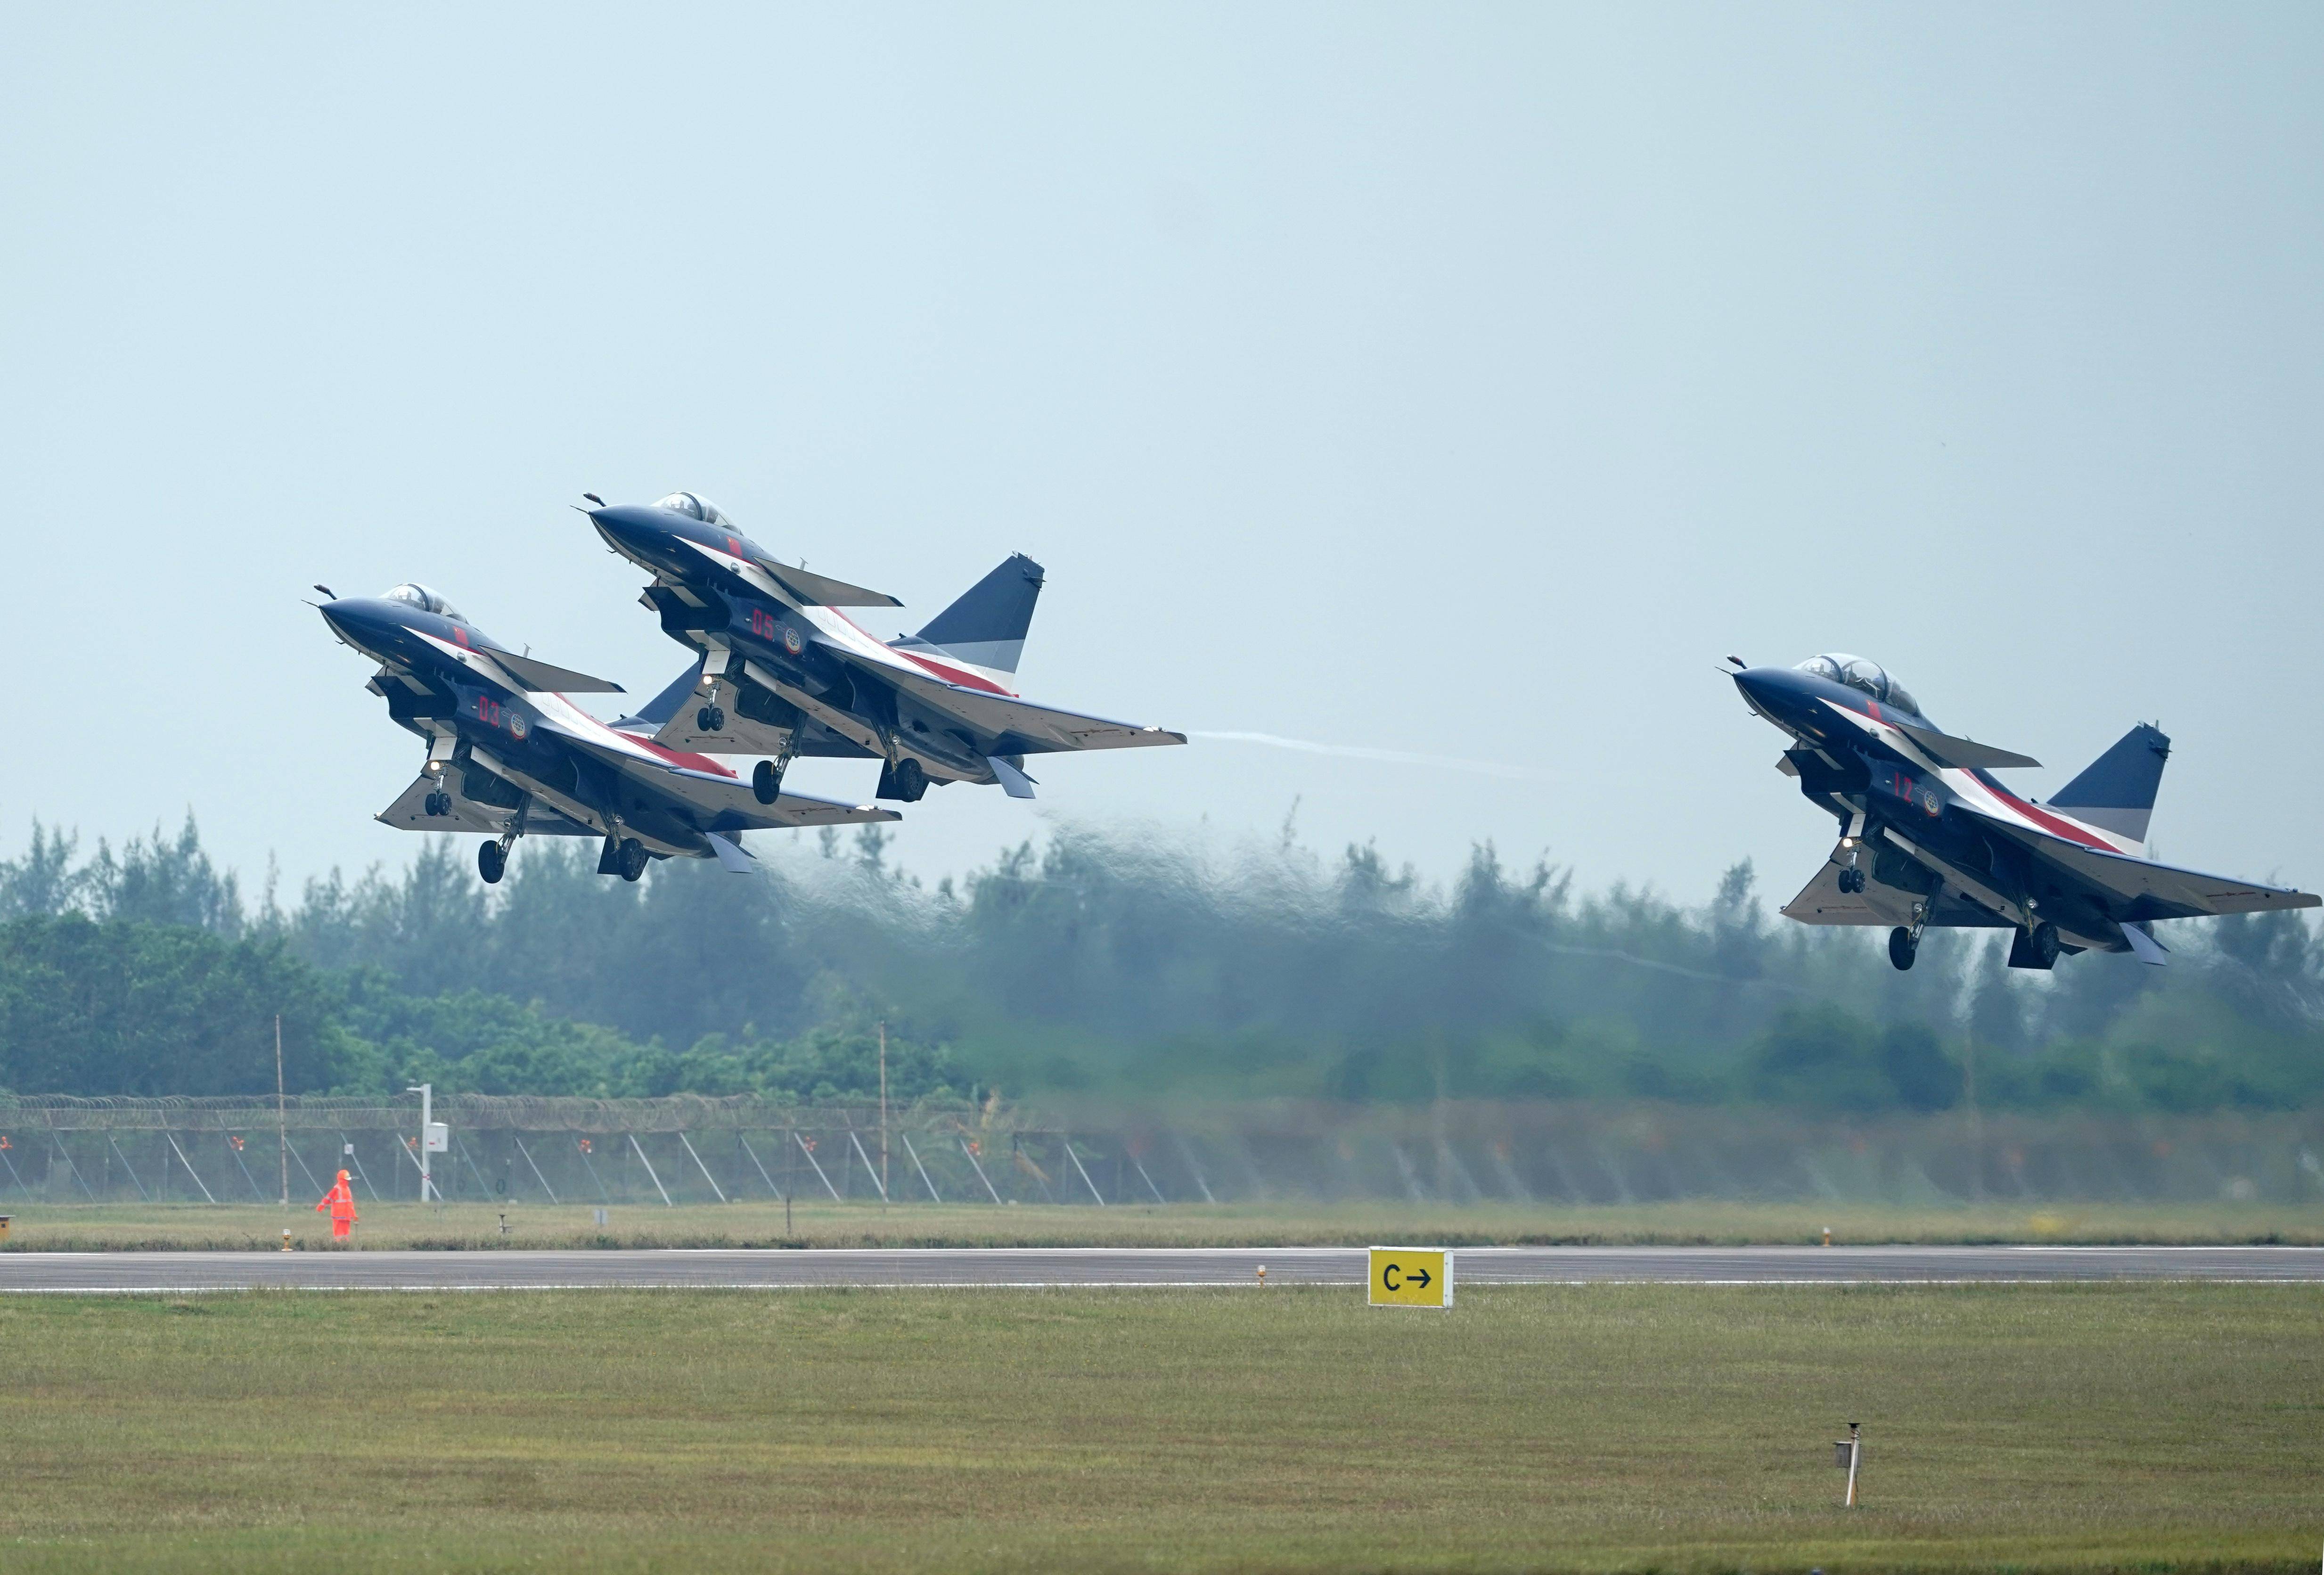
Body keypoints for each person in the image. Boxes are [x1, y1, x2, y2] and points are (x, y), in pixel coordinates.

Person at [316, 1169, 358, 1240]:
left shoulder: (347, 1189)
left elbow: (350, 1204)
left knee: (346, 1233)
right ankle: (338, 1245)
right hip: (339, 1215)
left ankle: (345, 1245)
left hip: (346, 1216)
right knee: (339, 1233)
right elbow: (328, 1198)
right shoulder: (337, 1189)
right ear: (342, 1179)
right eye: (346, 1180)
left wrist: (354, 1215)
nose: (347, 1182)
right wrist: (320, 1207)